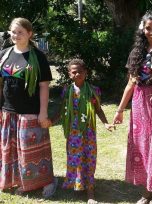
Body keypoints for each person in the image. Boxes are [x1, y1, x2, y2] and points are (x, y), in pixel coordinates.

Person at [113, 10, 152, 204]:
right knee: (142, 148)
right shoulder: (136, 52)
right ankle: (150, 191)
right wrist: (119, 111)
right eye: (148, 28)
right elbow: (131, 83)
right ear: (142, 29)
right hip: (140, 103)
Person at [0, 17, 57, 197]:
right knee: (10, 150)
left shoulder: (38, 56)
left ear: (29, 34)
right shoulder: (5, 53)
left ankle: (47, 181)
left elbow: (44, 86)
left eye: (20, 32)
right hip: (8, 110)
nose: (16, 35)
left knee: (33, 151)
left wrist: (43, 113)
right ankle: (16, 179)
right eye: (13, 31)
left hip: (30, 112)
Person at [49, 59, 115, 204]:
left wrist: (106, 123)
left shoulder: (93, 90)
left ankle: (90, 191)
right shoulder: (67, 91)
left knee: (89, 158)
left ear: (86, 73)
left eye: (80, 71)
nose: (77, 74)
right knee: (75, 158)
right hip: (73, 132)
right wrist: (52, 121)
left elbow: (98, 109)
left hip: (89, 131)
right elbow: (63, 110)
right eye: (74, 72)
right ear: (69, 74)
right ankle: (78, 185)